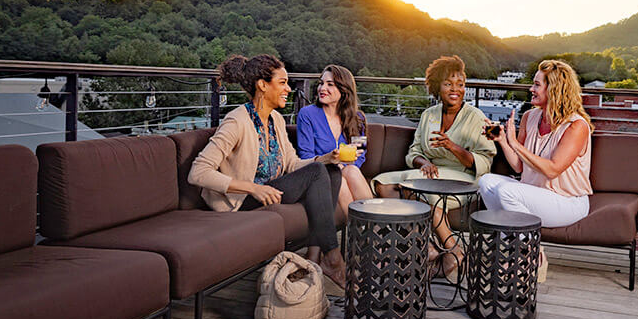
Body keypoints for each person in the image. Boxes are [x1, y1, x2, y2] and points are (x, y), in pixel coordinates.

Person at [189, 54, 347, 289]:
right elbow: (198, 172)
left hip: (273, 188)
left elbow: (292, 164)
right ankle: (333, 258)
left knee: (331, 170)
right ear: (262, 85)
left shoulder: (275, 119)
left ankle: (316, 258)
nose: (288, 89)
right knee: (317, 171)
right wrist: (252, 187)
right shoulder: (237, 121)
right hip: (244, 201)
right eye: (282, 82)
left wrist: (326, 158)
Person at [373, 55, 496, 280]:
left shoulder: (475, 117)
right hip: (428, 172)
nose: (455, 89)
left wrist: (452, 147)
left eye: (460, 84)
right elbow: (414, 151)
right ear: (437, 86)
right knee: (383, 184)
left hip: (463, 178)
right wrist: (424, 162)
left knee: (417, 190)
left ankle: (451, 251)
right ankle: (429, 245)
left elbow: (484, 161)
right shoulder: (428, 115)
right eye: (448, 83)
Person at [478, 59, 594, 280]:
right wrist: (504, 140)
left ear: (555, 89)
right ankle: (520, 247)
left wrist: (516, 144)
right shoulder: (531, 116)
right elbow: (519, 165)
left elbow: (552, 170)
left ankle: (528, 253)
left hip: (567, 201)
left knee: (506, 192)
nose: (531, 89)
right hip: (535, 194)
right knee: (486, 182)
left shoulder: (576, 126)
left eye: (537, 85)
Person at [296, 64, 374, 218]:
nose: (322, 88)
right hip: (318, 174)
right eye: (321, 83)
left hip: (347, 171)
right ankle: (366, 235)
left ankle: (368, 230)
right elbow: (305, 156)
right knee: (339, 179)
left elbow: (360, 155)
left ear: (344, 90)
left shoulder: (358, 118)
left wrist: (343, 166)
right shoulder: (307, 114)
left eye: (330, 84)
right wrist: (334, 165)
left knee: (350, 171)